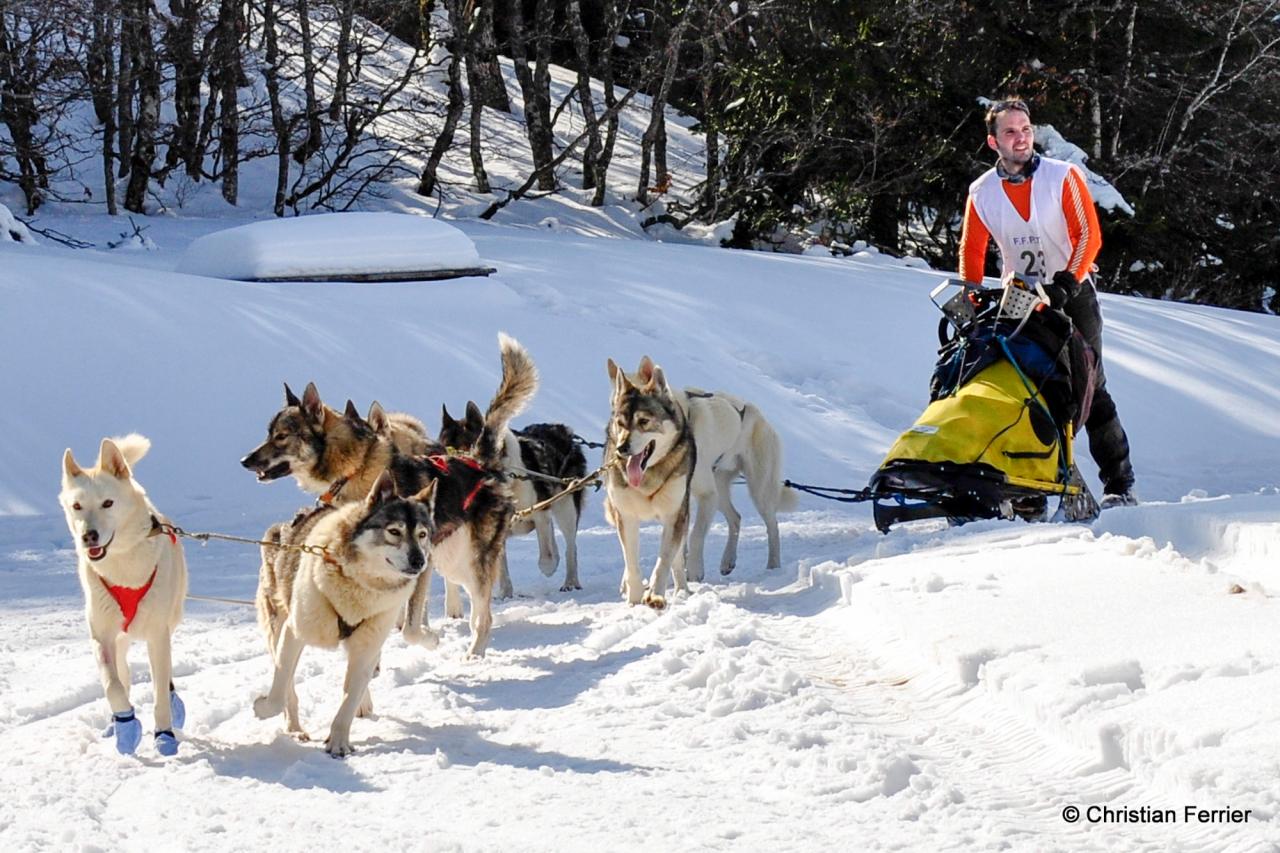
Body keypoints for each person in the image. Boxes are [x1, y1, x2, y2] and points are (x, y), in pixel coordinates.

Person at [958, 97, 1136, 507]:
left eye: (1025, 129)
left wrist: (1068, 281)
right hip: (1019, 298)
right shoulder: (982, 192)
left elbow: (1088, 236)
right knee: (1025, 385)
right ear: (993, 141)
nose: (1020, 138)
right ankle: (1030, 490)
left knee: (1089, 384)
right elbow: (972, 250)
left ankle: (1120, 484)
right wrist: (969, 294)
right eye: (1009, 132)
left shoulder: (1062, 177)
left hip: (1072, 293)